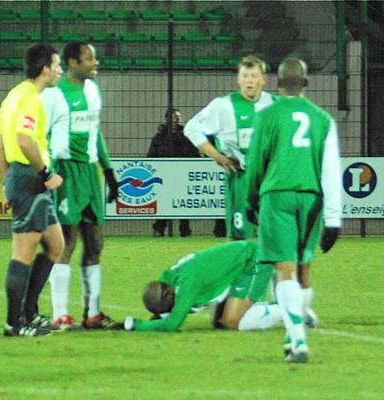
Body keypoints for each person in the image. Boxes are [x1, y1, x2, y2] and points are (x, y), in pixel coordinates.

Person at [244, 57, 342, 363]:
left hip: (277, 195)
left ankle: (298, 340)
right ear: (306, 83)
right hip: (311, 199)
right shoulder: (323, 119)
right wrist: (334, 219)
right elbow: (331, 170)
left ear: (277, 82)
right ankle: (291, 334)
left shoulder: (267, 115)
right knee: (304, 268)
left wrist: (250, 202)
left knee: (284, 270)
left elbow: (256, 161)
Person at [41, 41, 119, 330]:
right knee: (66, 242)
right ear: (73, 62)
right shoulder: (55, 94)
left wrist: (108, 170)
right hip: (65, 173)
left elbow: (95, 132)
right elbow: (42, 136)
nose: (95, 63)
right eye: (90, 59)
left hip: (89, 174)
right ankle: (61, 313)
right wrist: (47, 173)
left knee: (96, 242)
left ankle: (93, 312)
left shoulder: (92, 91)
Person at [0, 44, 65, 337]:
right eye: (57, 65)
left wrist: (5, 180)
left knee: (56, 244)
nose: (60, 71)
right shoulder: (31, 100)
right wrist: (45, 174)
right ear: (45, 69)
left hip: (20, 177)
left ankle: (30, 312)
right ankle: (14, 322)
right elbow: (24, 141)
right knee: (23, 252)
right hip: (31, 179)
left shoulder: (14, 95)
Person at [107, 240, 305, 332]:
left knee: (232, 322)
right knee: (218, 323)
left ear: (169, 293)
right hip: (236, 268)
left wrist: (134, 325)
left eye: (171, 306)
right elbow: (165, 313)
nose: (175, 308)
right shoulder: (165, 280)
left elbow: (172, 324)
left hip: (252, 262)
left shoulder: (186, 284)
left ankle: (291, 309)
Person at [184, 55, 275, 241]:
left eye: (254, 76)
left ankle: (271, 270)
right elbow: (191, 128)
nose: (249, 81)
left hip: (271, 180)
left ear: (263, 79)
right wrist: (217, 156)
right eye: (245, 76)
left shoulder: (274, 104)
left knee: (276, 235)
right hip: (240, 178)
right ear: (238, 79)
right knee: (239, 236)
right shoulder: (223, 106)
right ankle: (241, 268)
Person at [147, 108, 199, 237]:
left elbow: (194, 155)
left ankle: (184, 230)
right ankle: (160, 228)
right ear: (167, 120)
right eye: (175, 118)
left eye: (179, 118)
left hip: (183, 174)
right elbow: (151, 158)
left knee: (183, 204)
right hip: (164, 175)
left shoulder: (187, 136)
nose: (178, 120)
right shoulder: (158, 138)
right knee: (165, 203)